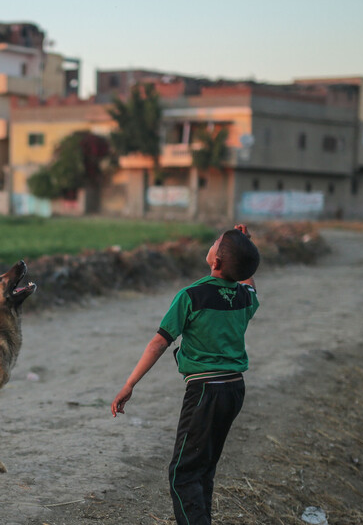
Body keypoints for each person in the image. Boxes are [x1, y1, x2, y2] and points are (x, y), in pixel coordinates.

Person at [111, 224, 260, 525]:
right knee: (203, 468)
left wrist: (130, 384)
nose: (214, 242)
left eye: (217, 242)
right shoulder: (244, 298)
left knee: (183, 474)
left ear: (215, 261)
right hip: (234, 390)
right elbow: (249, 283)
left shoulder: (192, 295)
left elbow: (159, 342)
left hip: (206, 390)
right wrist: (243, 245)